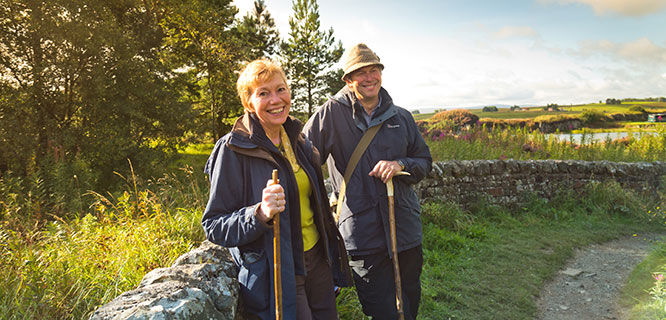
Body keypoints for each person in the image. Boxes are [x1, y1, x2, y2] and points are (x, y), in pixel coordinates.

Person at [202, 59, 352, 320]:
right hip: (279, 270)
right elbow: (214, 225)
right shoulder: (232, 149)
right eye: (263, 93)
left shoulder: (299, 141)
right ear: (249, 102)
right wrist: (259, 213)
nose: (276, 99)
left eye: (280, 89)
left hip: (317, 261)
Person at [303, 43, 432, 320]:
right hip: (362, 235)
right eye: (361, 72)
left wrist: (401, 164)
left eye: (374, 70)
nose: (369, 77)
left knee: (409, 302)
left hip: (405, 230)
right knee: (382, 310)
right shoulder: (330, 114)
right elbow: (302, 159)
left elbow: (424, 161)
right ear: (349, 80)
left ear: (381, 74)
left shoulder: (402, 117)